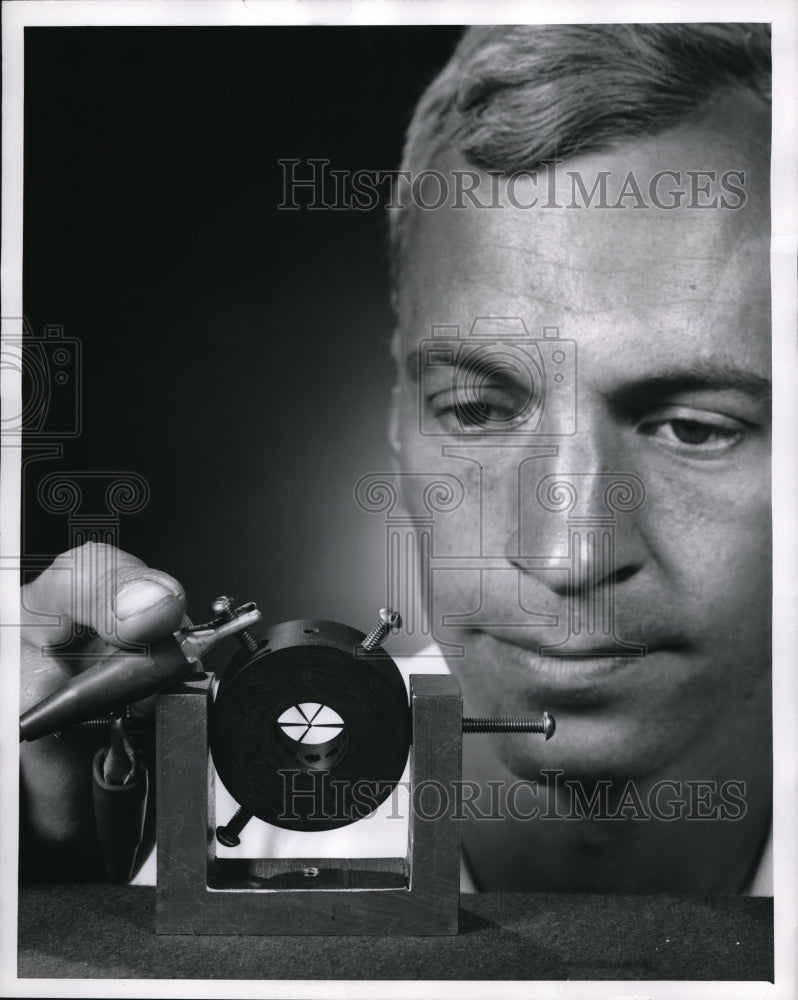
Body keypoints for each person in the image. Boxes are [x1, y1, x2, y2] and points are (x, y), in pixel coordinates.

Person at [19, 22, 772, 894]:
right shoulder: (167, 837)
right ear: (399, 423)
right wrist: (58, 910)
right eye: (480, 410)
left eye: (694, 427)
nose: (569, 554)